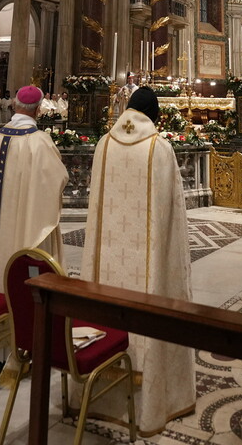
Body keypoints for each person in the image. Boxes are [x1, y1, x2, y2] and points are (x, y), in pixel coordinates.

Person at [80, 85, 195, 437]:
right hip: (148, 263)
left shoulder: (103, 145)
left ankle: (99, 380)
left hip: (107, 256)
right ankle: (152, 395)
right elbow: (174, 211)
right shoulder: (159, 149)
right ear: (155, 114)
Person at [0, 85, 67, 294]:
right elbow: (59, 179)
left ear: (16, 105)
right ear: (38, 110)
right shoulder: (39, 141)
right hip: (24, 219)